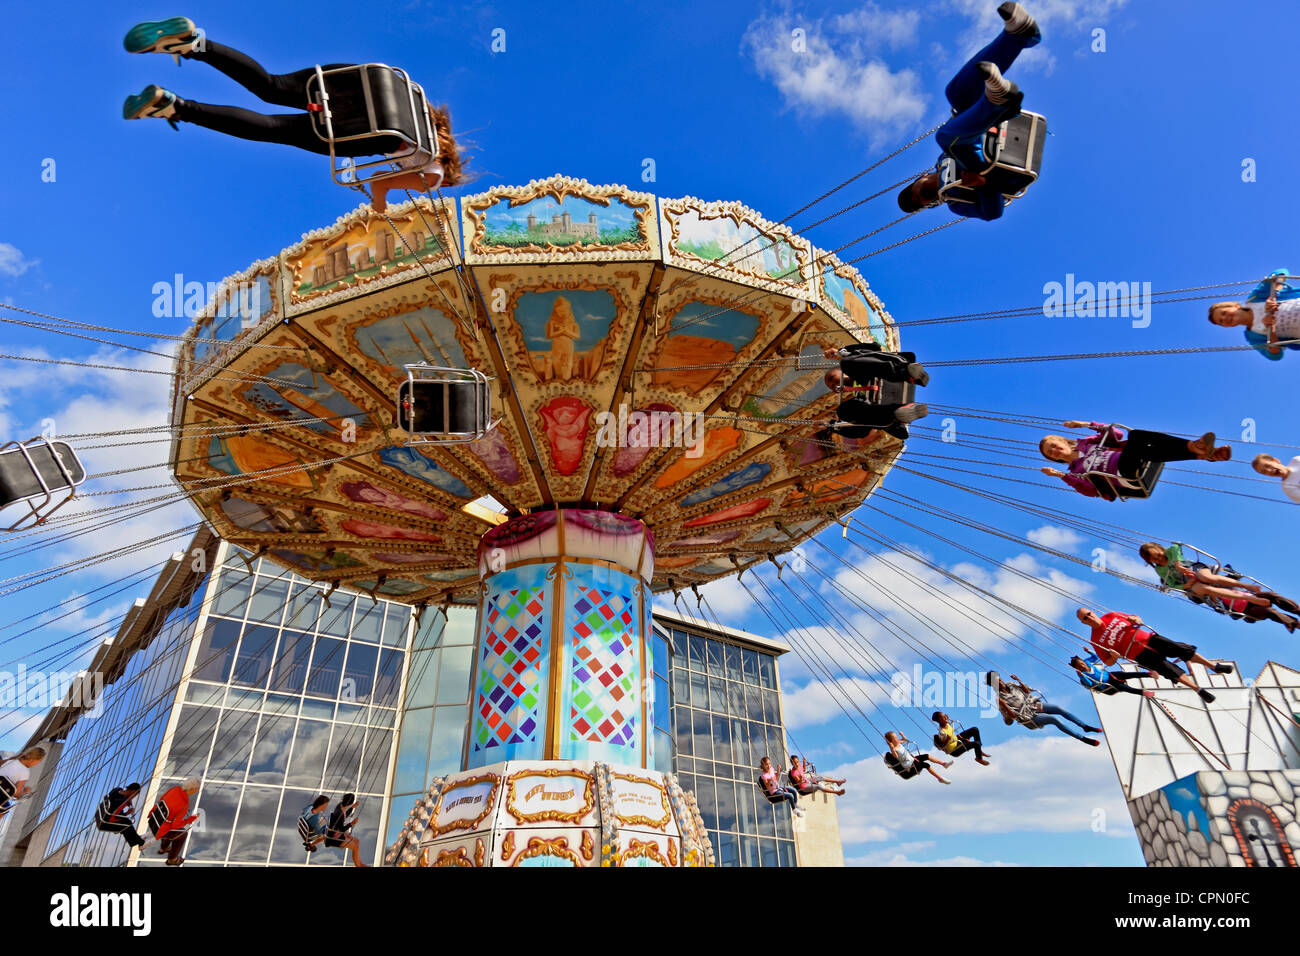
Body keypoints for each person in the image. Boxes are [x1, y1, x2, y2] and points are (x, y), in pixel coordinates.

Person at [120, 17, 465, 212]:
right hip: (351, 125)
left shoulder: (425, 120)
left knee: (271, 84)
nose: (429, 191)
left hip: (352, 83)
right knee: (271, 128)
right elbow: (379, 182)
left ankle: (195, 44)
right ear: (448, 180)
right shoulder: (432, 175)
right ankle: (176, 106)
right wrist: (379, 206)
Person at [897, 3, 1041, 221]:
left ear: (921, 177)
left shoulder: (943, 159)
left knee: (956, 94)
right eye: (918, 205)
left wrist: (960, 114)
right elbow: (992, 213)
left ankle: (1019, 36)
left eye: (912, 194)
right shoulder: (956, 202)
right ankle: (997, 103)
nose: (918, 198)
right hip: (984, 166)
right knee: (946, 137)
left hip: (984, 135)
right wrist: (982, 186)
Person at [1076, 607, 1234, 703]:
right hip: (1138, 654)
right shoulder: (1094, 639)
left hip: (1149, 639)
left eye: (1088, 614)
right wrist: (1115, 657)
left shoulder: (1112, 615)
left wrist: (1135, 619)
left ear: (1093, 612)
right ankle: (1197, 689)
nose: (1089, 618)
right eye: (1085, 618)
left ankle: (1214, 667)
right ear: (1084, 623)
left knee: (1181, 649)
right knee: (1167, 669)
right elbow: (1107, 662)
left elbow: (1136, 619)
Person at [1039, 421, 1230, 500]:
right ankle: (1196, 448)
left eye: (1054, 445)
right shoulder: (1074, 471)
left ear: (1062, 440)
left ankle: (1199, 451)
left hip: (1133, 459)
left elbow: (1117, 433)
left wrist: (1087, 424)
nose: (1055, 450)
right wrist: (1060, 475)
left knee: (1138, 438)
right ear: (1052, 458)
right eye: (1050, 452)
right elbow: (1089, 491)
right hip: (1122, 475)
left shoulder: (1086, 443)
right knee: (1137, 443)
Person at [1138, 541, 1300, 632]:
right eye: (1155, 560)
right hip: (1210, 594)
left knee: (1271, 597)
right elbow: (1175, 585)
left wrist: (1179, 565)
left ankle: (1293, 609)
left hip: (1198, 572)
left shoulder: (1171, 551)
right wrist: (1189, 583)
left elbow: (1175, 548)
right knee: (1269, 611)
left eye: (1158, 555)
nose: (1159, 559)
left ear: (1159, 548)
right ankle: (1293, 623)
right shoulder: (1160, 570)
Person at [819, 344, 929, 443]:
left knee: (847, 363)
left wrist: (842, 352)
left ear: (840, 371)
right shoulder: (858, 399)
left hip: (889, 378)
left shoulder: (857, 371)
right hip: (887, 406)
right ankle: (897, 413)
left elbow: (875, 347)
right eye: (831, 387)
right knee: (843, 411)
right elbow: (860, 431)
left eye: (832, 378)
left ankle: (904, 371)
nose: (833, 384)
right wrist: (831, 426)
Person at [987, 672, 1102, 745]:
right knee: (1054, 720)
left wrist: (1019, 680)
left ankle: (1085, 726)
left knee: (1059, 708)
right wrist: (1004, 705)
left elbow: (1027, 691)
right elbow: (1010, 720)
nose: (1000, 682)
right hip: (1029, 718)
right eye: (997, 682)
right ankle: (1082, 738)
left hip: (1033, 705)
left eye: (1000, 679)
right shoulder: (1000, 699)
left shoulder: (1011, 684)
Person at [1208, 270, 1300, 361]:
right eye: (1221, 321)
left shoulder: (1255, 298)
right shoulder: (1253, 337)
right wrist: (1272, 331)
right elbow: (1275, 356)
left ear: (1235, 306)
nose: (1225, 318)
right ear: (1226, 326)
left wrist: (1273, 295)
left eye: (1224, 313)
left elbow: (1280, 273)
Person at [147, 777, 202, 866]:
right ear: (192, 789)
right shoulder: (184, 803)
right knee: (182, 833)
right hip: (159, 829)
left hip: (153, 820)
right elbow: (175, 825)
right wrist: (190, 820)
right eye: (197, 789)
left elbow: (161, 800)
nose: (197, 791)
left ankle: (164, 848)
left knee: (171, 825)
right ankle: (172, 859)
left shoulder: (175, 789)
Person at [1069, 651, 1155, 697]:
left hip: (1109, 675)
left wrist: (1089, 652)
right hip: (1107, 684)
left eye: (1082, 663)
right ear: (1078, 668)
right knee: (1125, 688)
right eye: (1080, 666)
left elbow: (1095, 657)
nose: (1083, 665)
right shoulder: (1082, 674)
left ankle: (1149, 674)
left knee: (1126, 674)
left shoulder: (1087, 662)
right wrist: (1082, 676)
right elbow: (1090, 684)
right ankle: (1143, 693)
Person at [884, 731, 952, 784]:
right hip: (909, 765)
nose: (897, 738)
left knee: (926, 756)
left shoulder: (898, 743)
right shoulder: (894, 749)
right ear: (891, 741)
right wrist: (892, 748)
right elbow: (896, 756)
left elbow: (904, 740)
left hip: (912, 759)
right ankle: (940, 778)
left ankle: (944, 764)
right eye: (895, 738)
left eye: (896, 737)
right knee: (925, 765)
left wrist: (902, 735)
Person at [94, 783, 147, 849]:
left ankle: (138, 839)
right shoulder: (122, 802)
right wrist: (127, 813)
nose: (133, 797)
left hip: (102, 815)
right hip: (105, 823)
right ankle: (141, 843)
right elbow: (112, 818)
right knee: (127, 824)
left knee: (125, 822)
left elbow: (114, 802)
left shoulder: (117, 789)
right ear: (132, 791)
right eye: (134, 795)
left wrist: (127, 801)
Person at [325, 792, 370, 867]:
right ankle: (358, 865)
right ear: (349, 803)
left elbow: (345, 814)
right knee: (355, 847)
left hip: (336, 833)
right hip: (335, 839)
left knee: (357, 841)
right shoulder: (339, 814)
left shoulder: (340, 806)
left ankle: (359, 863)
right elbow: (342, 829)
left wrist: (353, 807)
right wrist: (352, 823)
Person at [0, 747, 45, 817]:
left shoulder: (12, 759)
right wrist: (25, 792)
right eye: (38, 761)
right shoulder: (25, 772)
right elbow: (16, 794)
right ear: (34, 760)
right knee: (5, 808)